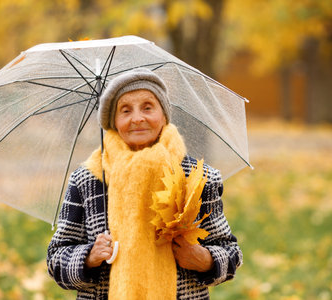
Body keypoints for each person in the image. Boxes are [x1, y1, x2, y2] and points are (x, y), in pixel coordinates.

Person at [47, 68, 242, 299]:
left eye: (147, 107)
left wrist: (205, 260)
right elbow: (55, 259)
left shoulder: (198, 178)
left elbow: (231, 253)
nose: (137, 118)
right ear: (114, 121)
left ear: (163, 115)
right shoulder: (88, 179)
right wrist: (89, 256)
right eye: (125, 110)